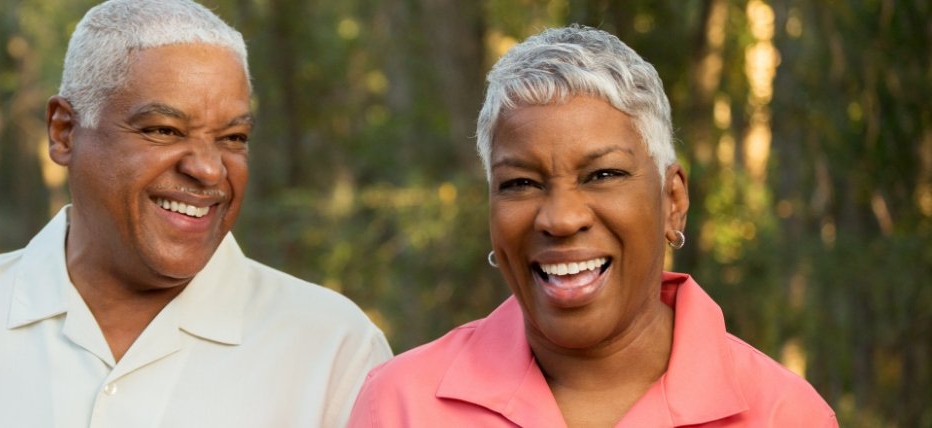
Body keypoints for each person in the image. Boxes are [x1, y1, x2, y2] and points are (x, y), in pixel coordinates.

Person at [0, 0, 391, 426]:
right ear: (64, 132)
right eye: (162, 130)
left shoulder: (332, 349)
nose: (207, 169)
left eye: (233, 137)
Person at [346, 26, 835, 427]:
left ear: (673, 201)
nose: (560, 218)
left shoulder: (782, 413)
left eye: (603, 175)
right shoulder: (399, 405)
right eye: (520, 183)